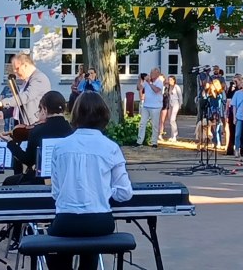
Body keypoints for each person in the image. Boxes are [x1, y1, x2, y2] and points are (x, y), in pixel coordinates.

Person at [40, 93, 132, 270]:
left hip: (66, 221)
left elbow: (56, 192)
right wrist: (103, 190)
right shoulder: (111, 147)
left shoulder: (60, 147)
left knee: (57, 245)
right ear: (103, 116)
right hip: (100, 222)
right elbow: (124, 193)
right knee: (90, 244)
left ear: (75, 115)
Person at [138, 69, 164, 147]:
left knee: (155, 125)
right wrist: (140, 79)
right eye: (151, 72)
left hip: (156, 107)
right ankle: (139, 141)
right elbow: (139, 87)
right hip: (146, 105)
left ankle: (154, 142)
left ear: (157, 74)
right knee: (142, 123)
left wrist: (149, 82)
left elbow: (156, 90)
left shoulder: (159, 82)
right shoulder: (147, 81)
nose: (151, 74)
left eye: (153, 73)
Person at [159, 76, 179, 143]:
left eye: (171, 80)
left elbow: (179, 96)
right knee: (165, 120)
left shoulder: (174, 87)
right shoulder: (166, 87)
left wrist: (180, 104)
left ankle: (174, 135)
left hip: (172, 104)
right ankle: (164, 134)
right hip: (166, 104)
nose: (169, 81)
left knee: (172, 120)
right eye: (168, 79)